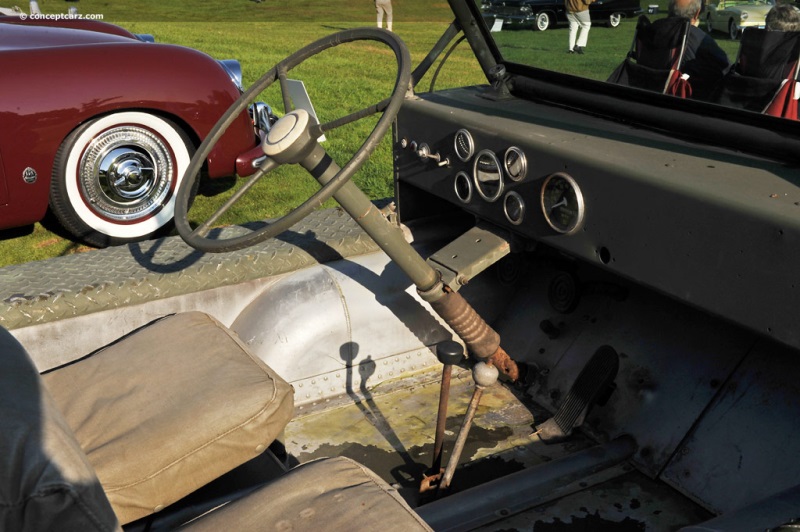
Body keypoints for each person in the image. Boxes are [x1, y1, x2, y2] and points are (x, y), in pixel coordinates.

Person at [668, 0, 730, 100]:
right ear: (697, 13)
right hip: (684, 101)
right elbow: (725, 69)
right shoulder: (699, 39)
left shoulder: (651, 31)